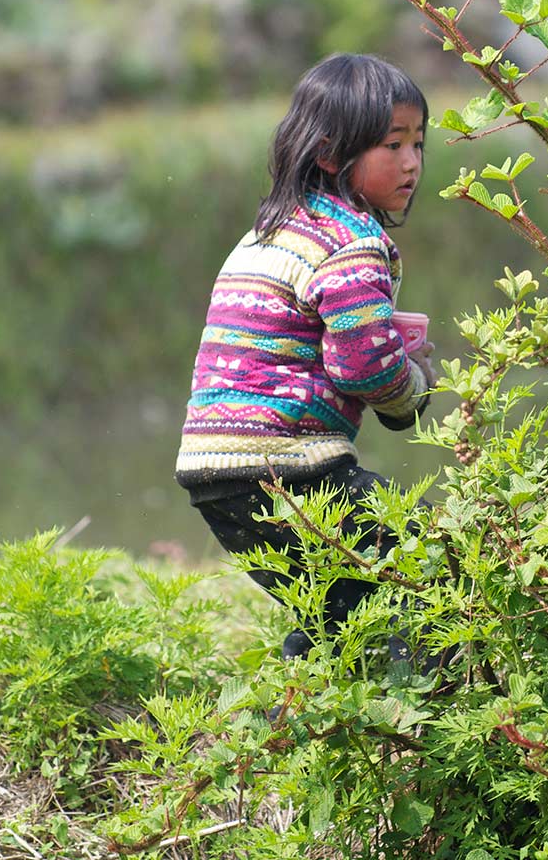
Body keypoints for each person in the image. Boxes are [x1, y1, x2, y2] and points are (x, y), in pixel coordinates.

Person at [175, 53, 435, 660]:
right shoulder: (352, 241)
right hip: (290, 468)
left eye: (418, 143)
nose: (411, 162)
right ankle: (423, 732)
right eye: (392, 144)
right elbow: (365, 365)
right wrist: (415, 388)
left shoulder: (269, 231)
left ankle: (286, 731)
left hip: (213, 472)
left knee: (338, 613)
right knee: (427, 573)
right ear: (328, 153)